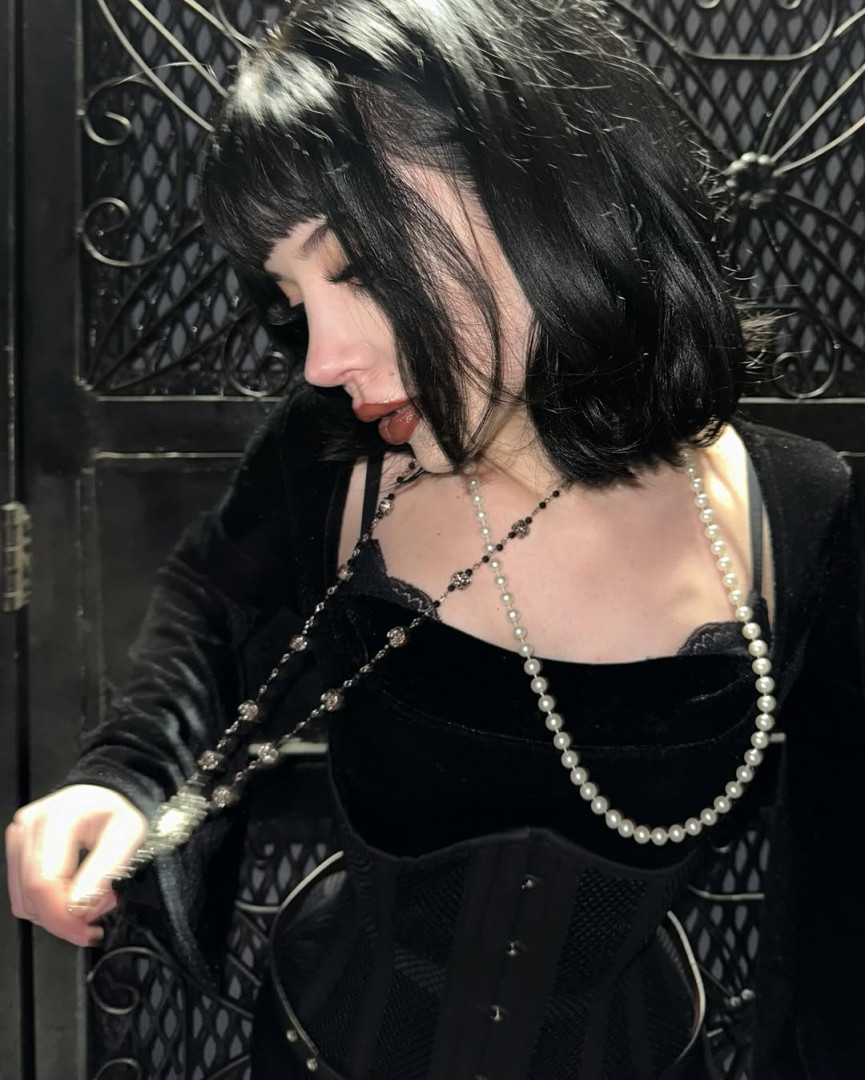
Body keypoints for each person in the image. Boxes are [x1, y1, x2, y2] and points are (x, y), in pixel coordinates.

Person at [6, 0, 864, 1076]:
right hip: (322, 1044)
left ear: (547, 200)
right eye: (291, 294)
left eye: (355, 268)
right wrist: (122, 779)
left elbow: (840, 908)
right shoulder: (336, 453)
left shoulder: (801, 511)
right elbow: (210, 611)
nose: (321, 359)